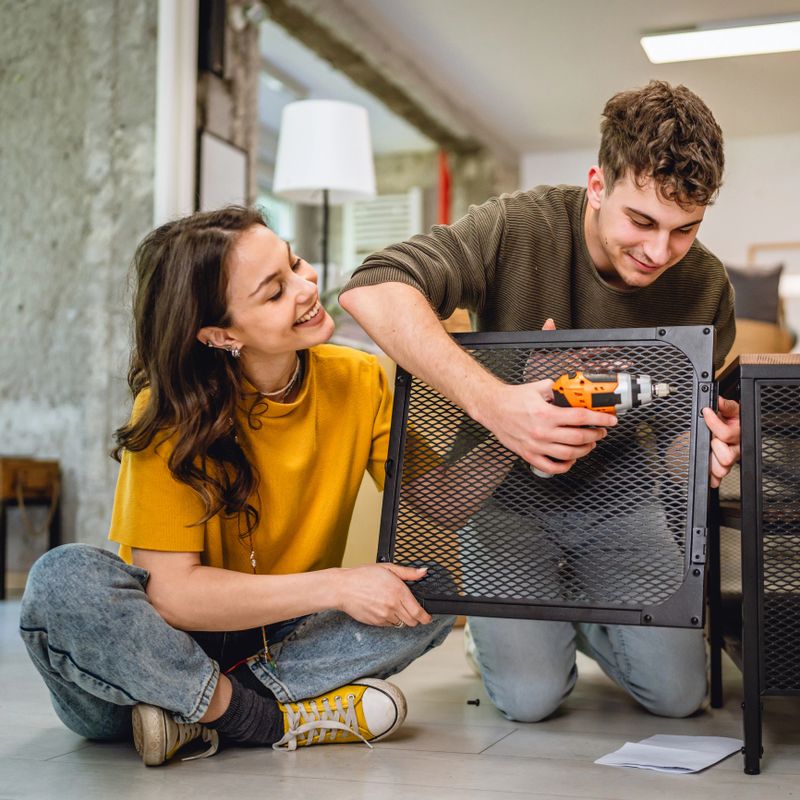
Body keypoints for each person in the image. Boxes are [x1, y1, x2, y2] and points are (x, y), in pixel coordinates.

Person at [339, 80, 741, 722]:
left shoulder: (705, 285)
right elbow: (373, 288)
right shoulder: (518, 227)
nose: (659, 252)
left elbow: (675, 447)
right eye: (641, 222)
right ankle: (504, 636)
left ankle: (572, 617)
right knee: (531, 701)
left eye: (684, 230)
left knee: (678, 697)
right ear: (597, 185)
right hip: (507, 502)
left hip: (623, 505)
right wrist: (502, 408)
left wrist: (706, 450)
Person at [19, 207, 453, 766]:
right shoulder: (168, 411)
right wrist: (339, 585)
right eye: (275, 292)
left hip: (283, 641)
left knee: (433, 588)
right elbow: (173, 595)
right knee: (61, 579)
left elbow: (447, 504)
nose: (306, 287)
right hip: (146, 660)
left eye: (295, 263)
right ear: (221, 334)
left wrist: (518, 406)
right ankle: (267, 719)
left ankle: (190, 718)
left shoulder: (360, 379)